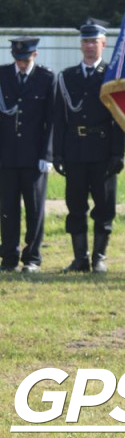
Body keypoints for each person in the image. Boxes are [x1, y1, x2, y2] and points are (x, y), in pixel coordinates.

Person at [53, 19, 125, 273]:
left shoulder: (112, 76)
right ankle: (80, 258)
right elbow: (59, 118)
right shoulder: (67, 77)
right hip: (74, 150)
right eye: (85, 41)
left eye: (94, 41)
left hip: (103, 150)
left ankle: (100, 257)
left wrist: (119, 152)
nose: (89, 46)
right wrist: (58, 152)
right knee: (75, 206)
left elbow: (120, 119)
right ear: (80, 45)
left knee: (104, 206)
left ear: (103, 44)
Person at [0, 37, 54, 273]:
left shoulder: (46, 78)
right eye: (18, 59)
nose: (21, 64)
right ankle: (9, 257)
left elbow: (52, 120)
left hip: (34, 157)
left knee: (34, 209)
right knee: (7, 209)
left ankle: (32, 257)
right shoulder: (2, 76)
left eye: (26, 59)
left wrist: (48, 154)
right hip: (6, 156)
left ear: (35, 55)